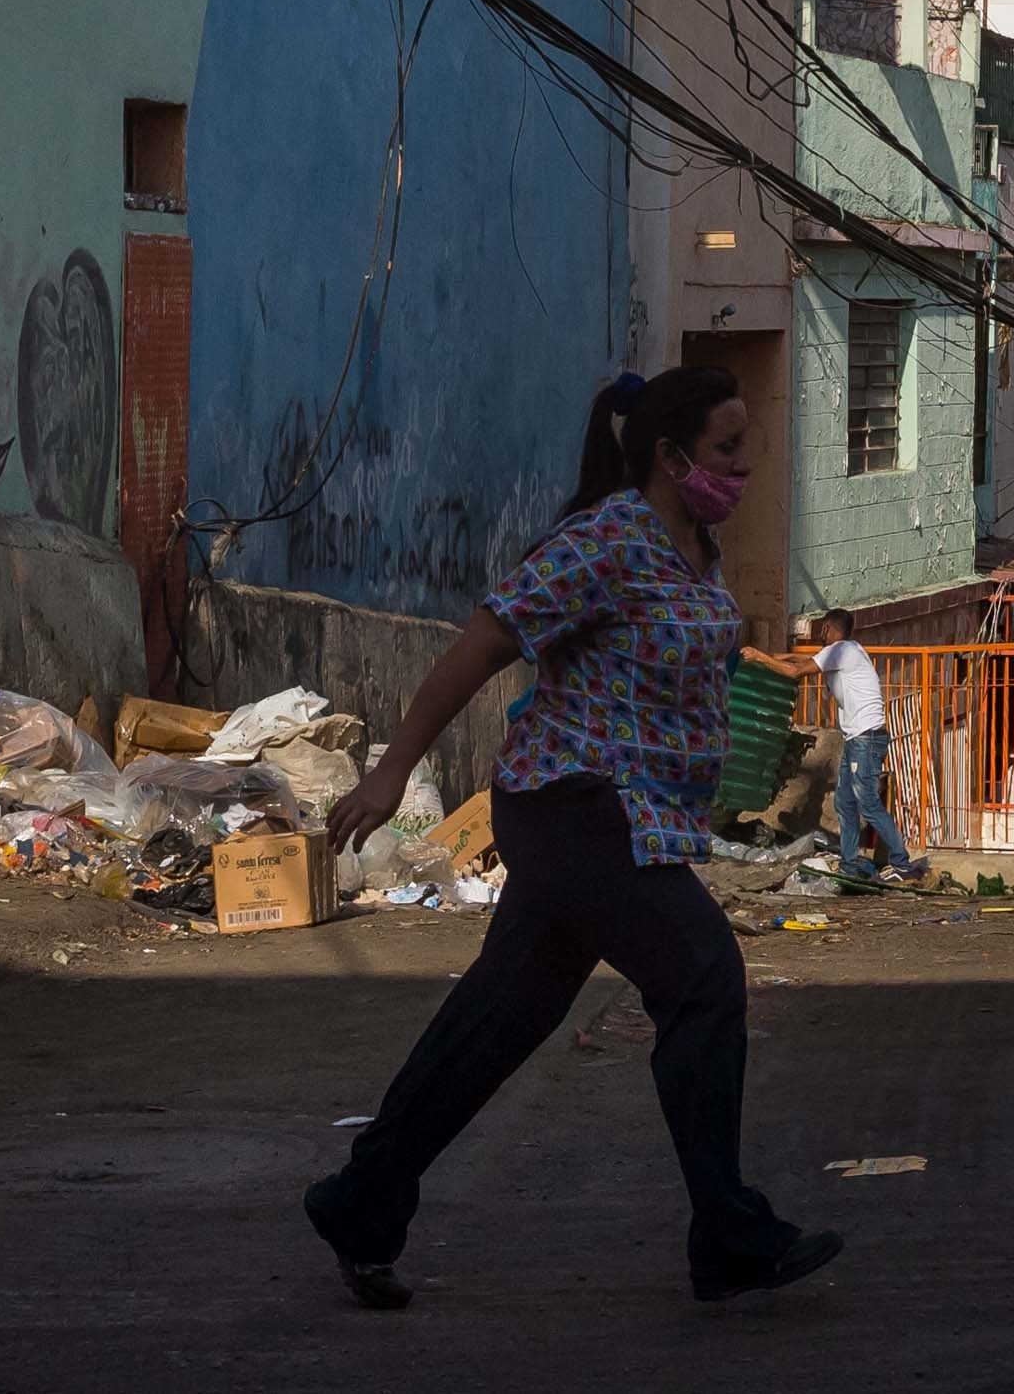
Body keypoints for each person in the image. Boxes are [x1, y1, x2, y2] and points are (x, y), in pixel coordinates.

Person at [305, 366, 841, 1313]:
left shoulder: (697, 546)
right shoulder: (606, 540)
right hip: (575, 808)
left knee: (501, 1018)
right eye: (726, 448)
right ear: (673, 458)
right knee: (705, 974)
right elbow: (483, 640)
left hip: (629, 817)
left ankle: (361, 1197)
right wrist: (391, 770)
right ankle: (727, 1231)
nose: (743, 466)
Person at [802, 608, 923, 886]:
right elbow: (802, 661)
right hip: (856, 737)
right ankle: (849, 864)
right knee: (844, 801)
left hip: (866, 738)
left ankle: (901, 862)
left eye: (822, 629)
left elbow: (798, 669)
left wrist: (760, 657)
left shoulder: (842, 651)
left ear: (828, 628)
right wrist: (771, 658)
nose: (821, 633)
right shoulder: (846, 650)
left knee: (867, 802)